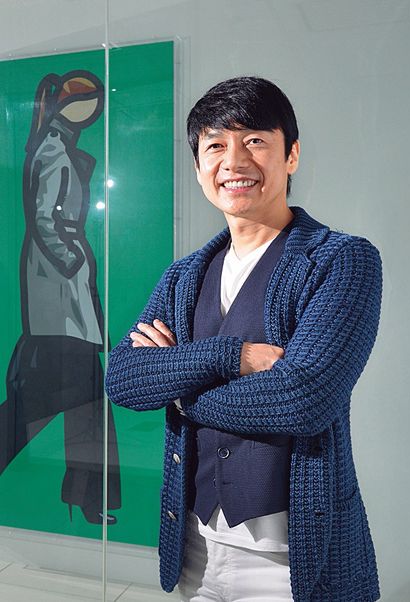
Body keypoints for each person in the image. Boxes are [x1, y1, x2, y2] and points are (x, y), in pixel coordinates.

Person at [105, 76, 382, 601]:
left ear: (291, 155)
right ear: (199, 169)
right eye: (215, 145)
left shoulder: (341, 261)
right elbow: (124, 379)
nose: (234, 161)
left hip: (291, 560)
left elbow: (302, 400)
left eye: (254, 140)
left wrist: (180, 391)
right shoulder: (184, 276)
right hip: (195, 546)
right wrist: (233, 356)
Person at [0, 71, 121, 525]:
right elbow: (46, 219)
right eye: (83, 104)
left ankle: (88, 497)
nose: (89, 113)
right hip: (59, 294)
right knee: (52, 401)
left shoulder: (55, 145)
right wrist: (74, 262)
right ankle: (88, 498)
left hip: (62, 294)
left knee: (83, 399)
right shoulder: (53, 148)